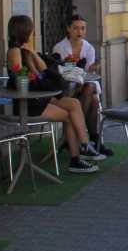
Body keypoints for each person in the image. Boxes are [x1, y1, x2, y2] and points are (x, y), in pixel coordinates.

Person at [6, 15, 101, 174]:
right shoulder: (14, 51)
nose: (33, 33)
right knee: (68, 115)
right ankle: (76, 158)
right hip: (29, 102)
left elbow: (43, 69)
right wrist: (34, 71)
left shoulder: (25, 50)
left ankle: (85, 145)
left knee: (74, 103)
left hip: (39, 96)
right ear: (24, 31)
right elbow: (21, 77)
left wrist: (33, 53)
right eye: (31, 29)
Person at [53, 15, 112, 159]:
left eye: (83, 28)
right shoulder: (59, 48)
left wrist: (92, 68)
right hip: (66, 91)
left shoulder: (89, 48)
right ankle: (93, 139)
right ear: (68, 29)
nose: (79, 32)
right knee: (94, 100)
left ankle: (76, 138)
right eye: (76, 28)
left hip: (84, 88)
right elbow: (59, 73)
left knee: (91, 91)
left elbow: (89, 75)